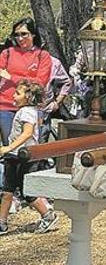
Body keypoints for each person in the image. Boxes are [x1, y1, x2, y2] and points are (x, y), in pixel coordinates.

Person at [0, 80, 58, 235]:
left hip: (23, 156)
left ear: (29, 97)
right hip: (15, 156)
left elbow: (27, 133)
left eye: (18, 93)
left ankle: (48, 215)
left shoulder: (26, 112)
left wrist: (8, 147)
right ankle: (2, 223)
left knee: (27, 192)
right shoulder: (29, 111)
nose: (14, 95)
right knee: (7, 191)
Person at [0, 18, 52, 185]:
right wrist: (25, 79)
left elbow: (39, 83)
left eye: (24, 34)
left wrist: (12, 78)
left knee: (29, 147)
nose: (20, 39)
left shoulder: (42, 56)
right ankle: (9, 188)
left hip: (30, 108)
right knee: (10, 148)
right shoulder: (7, 53)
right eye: (17, 35)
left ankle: (27, 188)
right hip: (6, 106)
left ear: (33, 35)